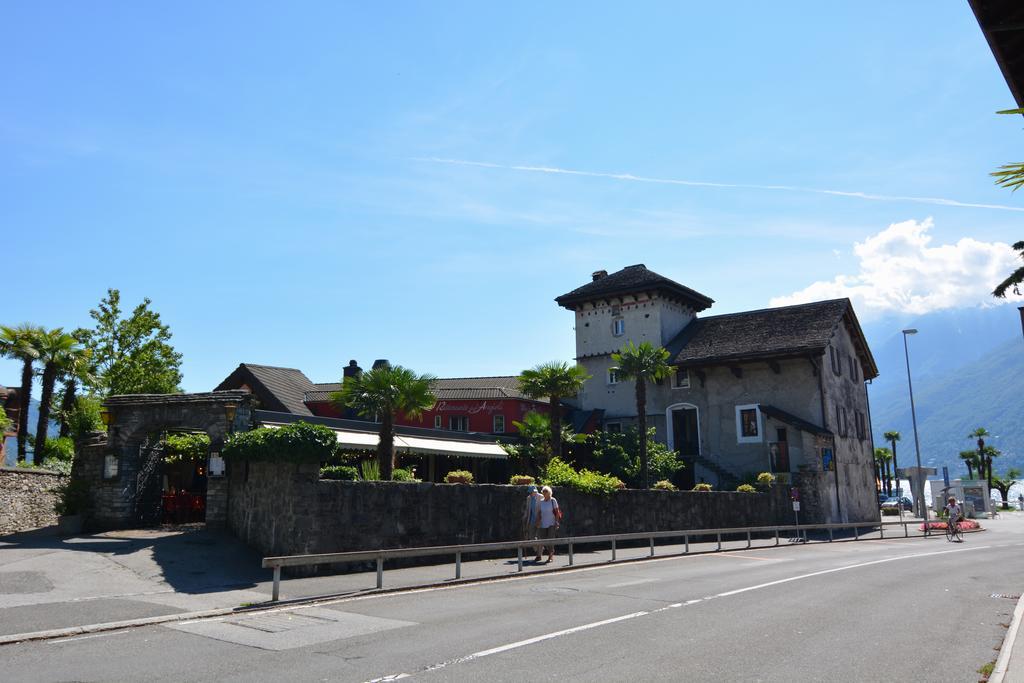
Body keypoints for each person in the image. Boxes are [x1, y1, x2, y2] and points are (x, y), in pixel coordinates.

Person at [535, 486, 561, 563]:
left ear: (549, 492)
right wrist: (538, 521)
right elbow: (540, 513)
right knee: (541, 540)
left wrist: (556, 522)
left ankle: (550, 556)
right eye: (543, 492)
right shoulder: (541, 502)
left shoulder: (553, 500)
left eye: (546, 492)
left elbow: (557, 512)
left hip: (551, 524)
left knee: (550, 540)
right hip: (543, 524)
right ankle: (539, 555)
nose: (544, 493)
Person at [521, 485, 543, 562]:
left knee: (539, 537)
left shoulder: (541, 497)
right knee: (531, 537)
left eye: (532, 492)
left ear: (535, 491)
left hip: (540, 520)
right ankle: (539, 548)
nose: (530, 493)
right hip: (531, 520)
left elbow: (542, 509)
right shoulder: (529, 498)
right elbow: (528, 510)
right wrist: (524, 517)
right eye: (530, 492)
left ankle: (539, 555)